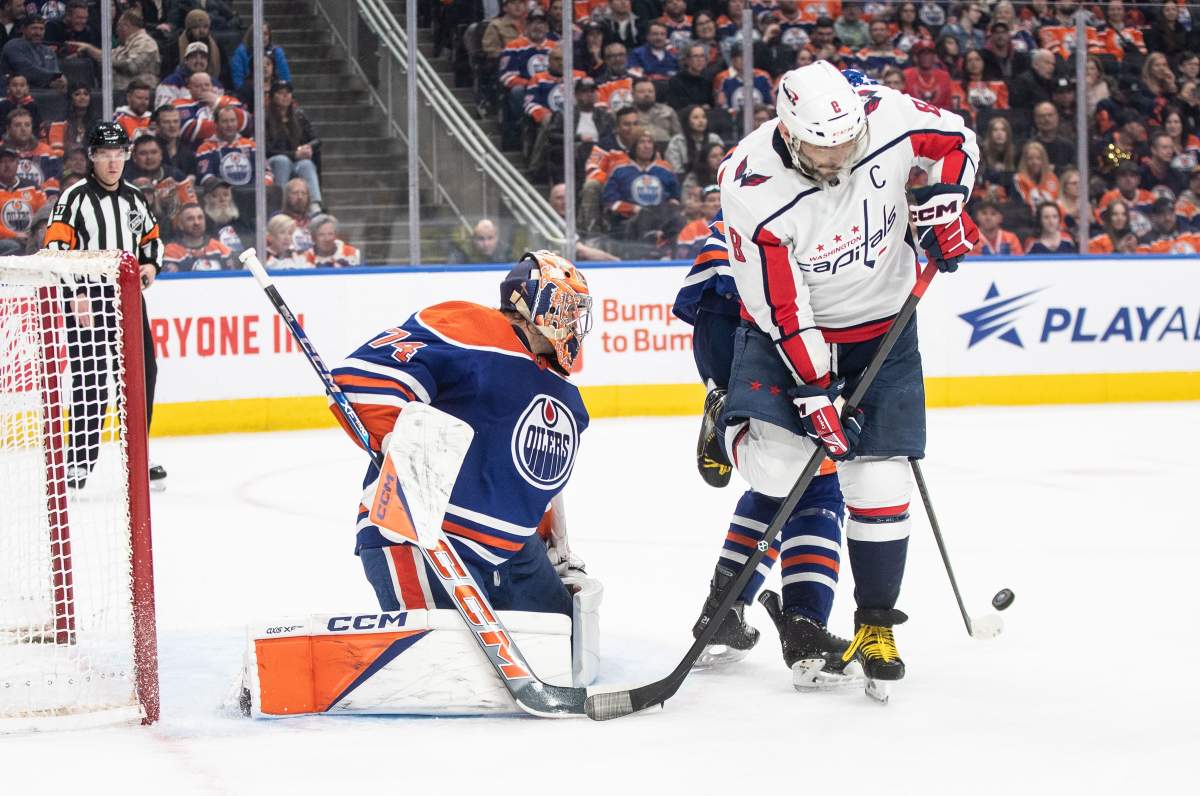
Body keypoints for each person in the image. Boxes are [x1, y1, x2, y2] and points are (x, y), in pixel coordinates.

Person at [713, 60, 979, 699]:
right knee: (781, 471)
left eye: (847, 143)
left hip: (884, 325)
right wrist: (813, 389)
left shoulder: (883, 113)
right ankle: (725, 420)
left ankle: (876, 627)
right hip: (792, 335)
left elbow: (958, 142)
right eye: (821, 148)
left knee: (877, 476)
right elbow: (784, 308)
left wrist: (947, 200)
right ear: (789, 132)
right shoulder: (751, 185)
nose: (839, 157)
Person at [330, 251, 591, 619]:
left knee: (567, 642)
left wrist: (555, 544)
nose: (575, 323)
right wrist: (399, 448)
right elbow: (363, 377)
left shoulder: (565, 395)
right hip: (423, 534)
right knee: (454, 668)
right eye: (569, 309)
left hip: (513, 552)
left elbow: (532, 480)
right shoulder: (468, 326)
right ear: (540, 304)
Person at [42, 121, 165, 488]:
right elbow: (55, 249)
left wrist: (150, 264)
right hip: (88, 299)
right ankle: (78, 461)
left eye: (118, 154)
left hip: (127, 299)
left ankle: (138, 455)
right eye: (105, 155)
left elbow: (152, 238)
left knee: (143, 374)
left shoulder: (134, 197)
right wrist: (76, 293)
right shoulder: (74, 197)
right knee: (91, 379)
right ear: (92, 157)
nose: (113, 163)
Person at [264, 81, 321, 211]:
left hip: (297, 161)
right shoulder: (265, 118)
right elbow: (266, 149)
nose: (285, 96)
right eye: (280, 93)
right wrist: (293, 154)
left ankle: (314, 206)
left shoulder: (299, 115)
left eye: (288, 93)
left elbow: (317, 139)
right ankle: (281, 206)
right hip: (273, 162)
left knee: (306, 164)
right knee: (282, 161)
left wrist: (307, 147)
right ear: (273, 97)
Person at [161, 201, 234, 271]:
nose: (197, 222)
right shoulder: (171, 251)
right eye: (190, 219)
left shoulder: (220, 249)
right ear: (180, 225)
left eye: (200, 218)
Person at [0, 144, 45, 254]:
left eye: (11, 161)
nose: (7, 165)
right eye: (2, 161)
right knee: (13, 246)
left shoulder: (33, 187)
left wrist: (36, 233)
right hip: (5, 241)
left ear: (17, 164)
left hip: (31, 238)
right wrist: (14, 235)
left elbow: (43, 214)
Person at [1, 15, 66, 91]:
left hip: (47, 92)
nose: (38, 32)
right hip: (19, 92)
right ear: (23, 29)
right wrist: (52, 78)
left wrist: (59, 79)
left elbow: (56, 71)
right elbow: (26, 70)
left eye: (41, 29)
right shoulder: (13, 46)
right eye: (34, 28)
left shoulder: (48, 50)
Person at [156, 40, 222, 107]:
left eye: (203, 57)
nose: (198, 61)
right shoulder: (170, 83)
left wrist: (216, 103)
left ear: (207, 61)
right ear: (186, 60)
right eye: (194, 57)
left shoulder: (216, 85)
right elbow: (162, 112)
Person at [230, 20, 291, 90]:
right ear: (252, 35)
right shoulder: (241, 52)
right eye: (259, 33)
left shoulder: (277, 52)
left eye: (265, 34)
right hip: (249, 93)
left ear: (269, 36)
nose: (262, 37)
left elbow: (285, 77)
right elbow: (238, 80)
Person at [665, 104, 724, 174]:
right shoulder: (677, 142)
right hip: (685, 181)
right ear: (687, 121)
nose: (701, 121)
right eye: (696, 117)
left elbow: (724, 164)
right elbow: (676, 170)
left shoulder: (714, 139)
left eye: (704, 117)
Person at [111, 9, 158, 91]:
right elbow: (106, 56)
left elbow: (132, 66)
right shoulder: (124, 46)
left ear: (127, 26)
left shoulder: (146, 43)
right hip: (120, 93)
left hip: (139, 95)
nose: (117, 30)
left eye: (119, 26)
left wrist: (106, 60)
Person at [630, 75, 680, 145]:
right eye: (642, 92)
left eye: (650, 91)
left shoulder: (668, 110)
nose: (647, 94)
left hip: (668, 150)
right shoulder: (628, 113)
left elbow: (678, 136)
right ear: (633, 94)